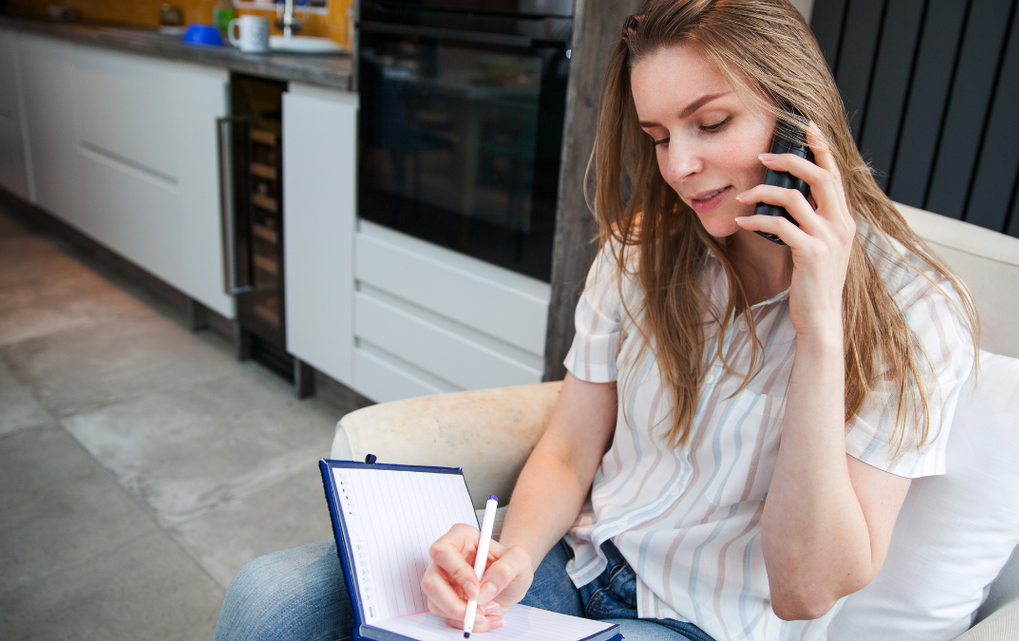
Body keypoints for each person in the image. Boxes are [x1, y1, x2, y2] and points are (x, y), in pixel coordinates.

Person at [212, 1, 979, 640]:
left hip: (697, 623)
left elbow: (805, 587)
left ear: (797, 121)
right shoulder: (645, 249)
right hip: (577, 560)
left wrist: (819, 335)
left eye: (710, 123)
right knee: (269, 597)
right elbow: (572, 447)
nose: (678, 167)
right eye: (658, 137)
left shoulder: (917, 317)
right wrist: (508, 556)